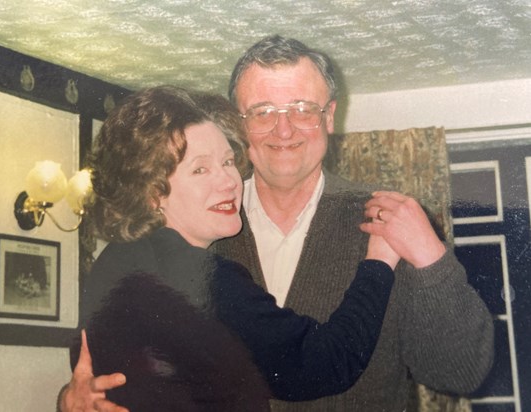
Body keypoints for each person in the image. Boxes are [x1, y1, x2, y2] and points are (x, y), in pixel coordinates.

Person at [61, 35, 495, 412]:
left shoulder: (390, 219)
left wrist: (431, 259)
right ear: (237, 122)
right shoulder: (200, 225)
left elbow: (460, 373)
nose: (283, 130)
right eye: (263, 111)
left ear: (329, 116)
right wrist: (73, 397)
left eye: (303, 109)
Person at [59, 85, 400, 411]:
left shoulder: (113, 262)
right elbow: (325, 363)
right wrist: (381, 257)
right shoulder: (197, 276)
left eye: (227, 162)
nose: (228, 181)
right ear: (151, 193)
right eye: (200, 169)